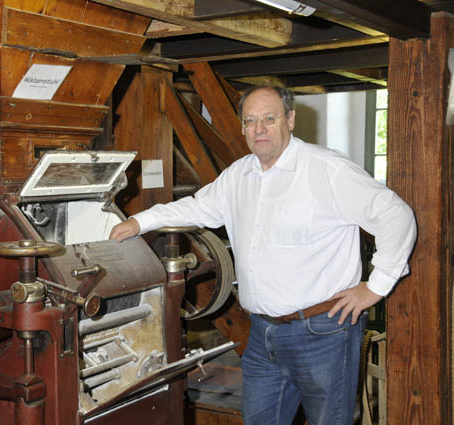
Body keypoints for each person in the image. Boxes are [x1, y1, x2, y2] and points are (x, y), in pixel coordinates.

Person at [109, 86, 416, 425]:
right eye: (250, 121)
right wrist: (140, 222)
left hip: (323, 333)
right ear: (242, 127)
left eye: (269, 119)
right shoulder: (239, 175)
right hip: (263, 333)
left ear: (290, 119)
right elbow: (197, 207)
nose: (259, 129)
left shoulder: (326, 169)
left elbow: (395, 215)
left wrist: (376, 286)